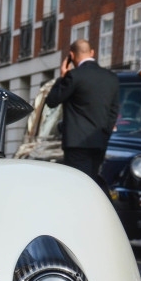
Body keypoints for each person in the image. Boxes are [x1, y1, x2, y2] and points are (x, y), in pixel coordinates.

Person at [44, 39, 120, 188]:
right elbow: (113, 112)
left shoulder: (74, 76)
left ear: (71, 56)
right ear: (92, 53)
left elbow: (52, 101)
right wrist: (105, 135)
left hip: (76, 144)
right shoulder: (111, 77)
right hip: (99, 142)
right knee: (94, 184)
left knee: (78, 185)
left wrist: (62, 76)